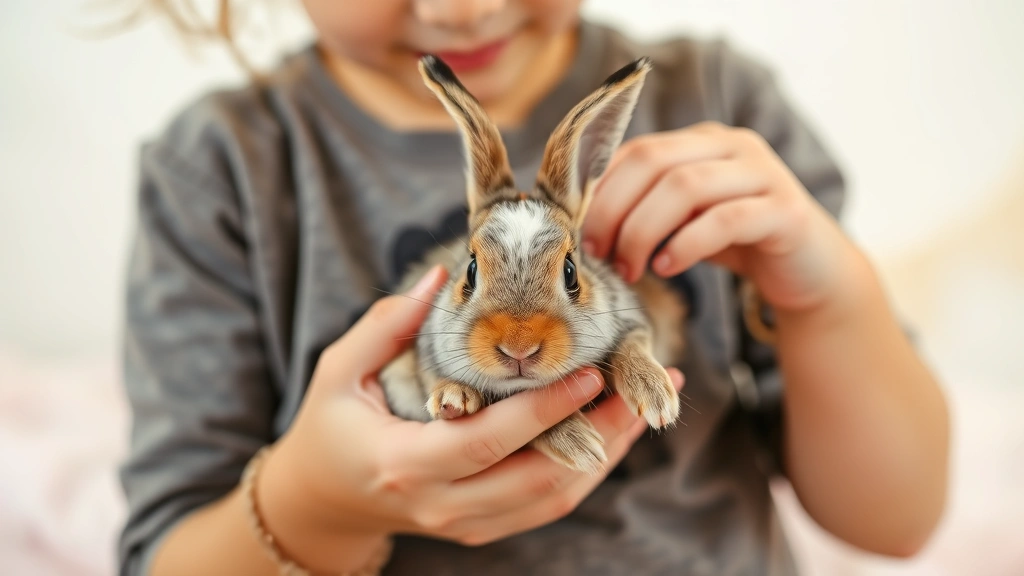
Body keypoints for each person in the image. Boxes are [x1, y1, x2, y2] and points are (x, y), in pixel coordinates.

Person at [116, 1, 950, 574]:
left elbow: (896, 519)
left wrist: (823, 295)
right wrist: (320, 504)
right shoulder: (224, 171)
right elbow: (169, 550)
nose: (466, 8)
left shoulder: (722, 111)